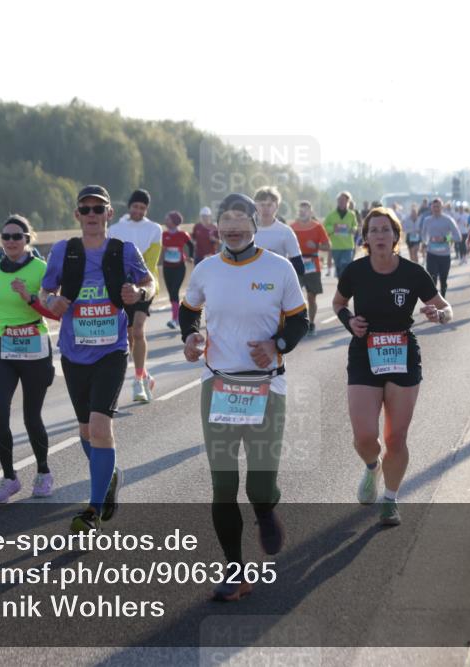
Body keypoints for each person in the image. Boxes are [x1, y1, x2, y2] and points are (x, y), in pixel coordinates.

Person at [180, 193, 308, 601]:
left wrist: (278, 345)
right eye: (226, 219)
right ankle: (235, 571)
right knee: (222, 484)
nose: (233, 226)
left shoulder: (279, 267)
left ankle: (266, 506)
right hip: (217, 384)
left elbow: (299, 320)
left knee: (258, 485)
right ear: (217, 226)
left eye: (241, 218)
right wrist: (192, 336)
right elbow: (188, 309)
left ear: (256, 223)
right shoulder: (206, 269)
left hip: (266, 386)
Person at [42, 185, 154, 531]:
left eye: (98, 209)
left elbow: (151, 283)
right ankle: (111, 474)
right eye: (85, 209)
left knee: (102, 427)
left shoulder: (123, 250)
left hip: (111, 351)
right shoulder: (64, 251)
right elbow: (47, 291)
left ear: (109, 213)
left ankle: (92, 510)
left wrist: (139, 292)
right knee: (87, 432)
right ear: (77, 215)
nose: (91, 215)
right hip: (74, 354)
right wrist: (51, 302)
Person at [332, 207, 452, 526]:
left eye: (386, 230)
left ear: (396, 235)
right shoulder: (355, 271)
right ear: (366, 237)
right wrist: (349, 321)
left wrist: (439, 315)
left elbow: (446, 308)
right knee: (364, 436)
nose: (380, 235)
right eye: (374, 230)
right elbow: (338, 304)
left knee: (396, 437)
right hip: (364, 353)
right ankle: (373, 467)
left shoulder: (413, 273)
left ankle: (390, 499)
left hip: (402, 353)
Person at [0, 215, 60, 502]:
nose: (11, 241)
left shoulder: (41, 269)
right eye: (6, 236)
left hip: (35, 345)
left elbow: (54, 312)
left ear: (27, 239)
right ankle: (9, 478)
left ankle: (43, 471)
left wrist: (29, 297)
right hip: (3, 346)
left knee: (31, 415)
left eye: (17, 236)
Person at [109, 189, 162, 402]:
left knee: (138, 331)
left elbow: (150, 262)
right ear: (129, 206)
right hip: (122, 288)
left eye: (142, 208)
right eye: (135, 206)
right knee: (129, 336)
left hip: (144, 286)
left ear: (146, 209)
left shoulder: (154, 229)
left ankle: (138, 380)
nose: (138, 211)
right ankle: (146, 374)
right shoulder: (114, 229)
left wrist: (143, 288)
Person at [290, 201, 330, 335]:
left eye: (305, 210)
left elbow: (327, 246)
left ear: (310, 212)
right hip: (296, 263)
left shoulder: (317, 227)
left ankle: (311, 323)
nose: (303, 212)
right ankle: (296, 324)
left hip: (312, 263)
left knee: (311, 297)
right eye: (301, 210)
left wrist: (316, 246)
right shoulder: (292, 227)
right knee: (293, 296)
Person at [251, 186, 304, 277]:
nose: (265, 209)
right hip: (251, 282)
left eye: (269, 205)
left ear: (277, 206)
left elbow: (299, 268)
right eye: (262, 205)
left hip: (277, 282)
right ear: (255, 206)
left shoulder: (286, 232)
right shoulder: (247, 231)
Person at [419, 198, 462, 298]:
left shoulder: (448, 220)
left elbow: (458, 237)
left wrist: (444, 238)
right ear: (431, 208)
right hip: (431, 254)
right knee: (432, 279)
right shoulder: (427, 220)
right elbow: (423, 235)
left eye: (438, 206)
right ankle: (435, 301)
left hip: (444, 255)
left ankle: (443, 297)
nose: (436, 209)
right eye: (434, 207)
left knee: (443, 280)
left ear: (442, 207)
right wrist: (424, 243)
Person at [161, 211, 191, 330]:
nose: (166, 221)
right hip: (167, 267)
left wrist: (191, 256)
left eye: (168, 219)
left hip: (179, 267)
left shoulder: (183, 234)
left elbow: (191, 245)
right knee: (171, 294)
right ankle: (178, 317)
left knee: (174, 291)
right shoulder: (163, 235)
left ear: (174, 221)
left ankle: (174, 319)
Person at [323, 191, 358, 278]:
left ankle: (345, 286)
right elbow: (324, 228)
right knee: (339, 269)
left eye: (344, 200)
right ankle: (342, 285)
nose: (341, 202)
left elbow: (355, 225)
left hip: (348, 246)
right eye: (340, 200)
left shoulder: (351, 215)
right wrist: (333, 229)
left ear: (348, 202)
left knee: (345, 264)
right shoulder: (331, 215)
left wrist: (354, 229)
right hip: (335, 246)